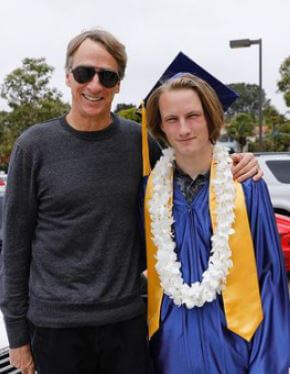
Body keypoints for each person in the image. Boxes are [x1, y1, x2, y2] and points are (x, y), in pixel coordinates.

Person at [0, 29, 262, 374]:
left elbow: (189, 174)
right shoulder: (33, 147)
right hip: (55, 328)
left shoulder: (138, 145)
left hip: (126, 323)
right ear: (68, 77)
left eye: (107, 76)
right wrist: (17, 337)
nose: (94, 85)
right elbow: (14, 247)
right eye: (84, 73)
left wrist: (239, 163)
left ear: (118, 84)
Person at [143, 72, 290, 373]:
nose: (183, 129)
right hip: (170, 351)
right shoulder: (149, 191)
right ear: (160, 126)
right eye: (172, 119)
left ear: (210, 117)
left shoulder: (246, 185)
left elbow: (270, 277)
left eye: (193, 116)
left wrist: (268, 363)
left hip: (236, 345)